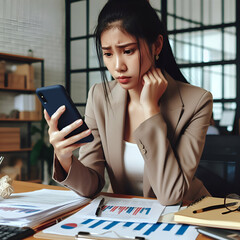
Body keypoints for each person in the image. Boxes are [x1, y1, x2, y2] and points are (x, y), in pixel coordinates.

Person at [44, 0, 213, 205]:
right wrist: (65, 158)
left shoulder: (197, 101)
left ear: (157, 45)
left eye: (128, 51)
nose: (117, 67)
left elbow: (171, 195)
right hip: (125, 217)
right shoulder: (99, 96)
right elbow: (91, 186)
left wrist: (150, 111)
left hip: (186, 214)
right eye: (107, 53)